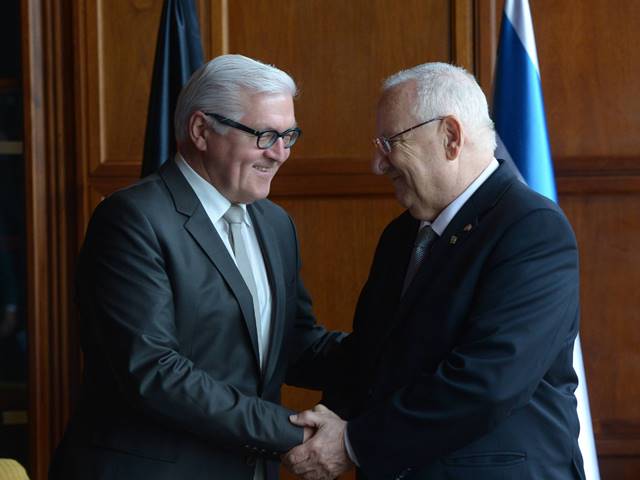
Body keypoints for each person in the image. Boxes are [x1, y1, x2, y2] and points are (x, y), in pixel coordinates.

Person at [284, 63, 585, 480]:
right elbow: (376, 357)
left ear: (450, 136)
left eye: (389, 142)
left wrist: (354, 442)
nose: (377, 163)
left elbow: (488, 382)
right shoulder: (401, 235)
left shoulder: (532, 229)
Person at [49, 54, 343, 480]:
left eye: (289, 135)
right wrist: (295, 433)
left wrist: (402, 354)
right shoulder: (133, 218)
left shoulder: (275, 224)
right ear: (202, 130)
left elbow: (293, 343)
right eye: (264, 135)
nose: (281, 154)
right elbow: (154, 371)